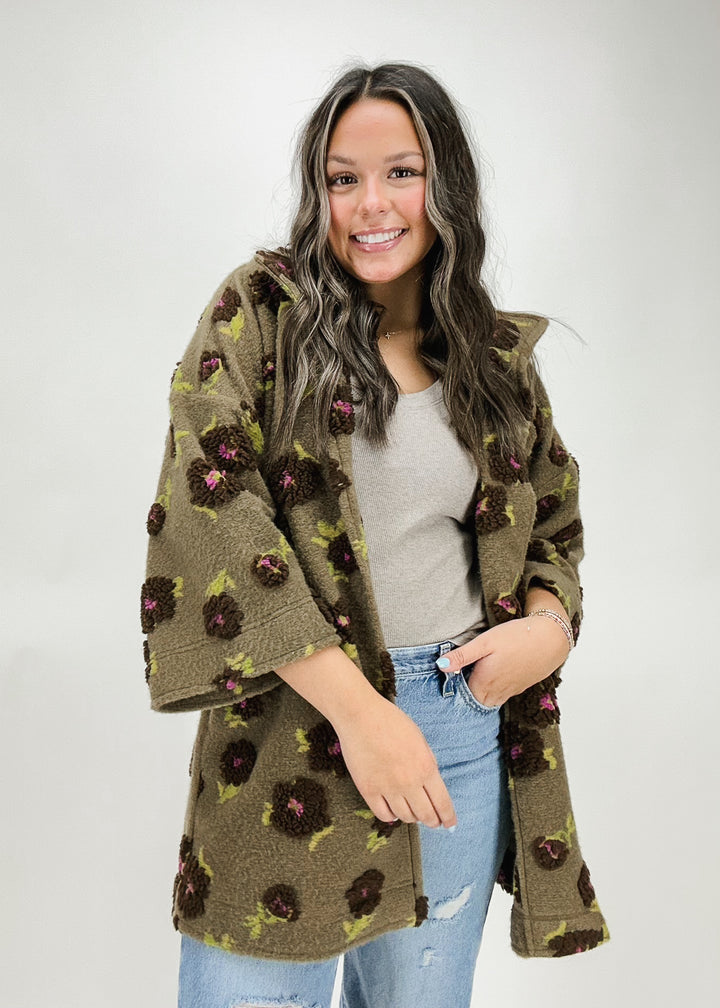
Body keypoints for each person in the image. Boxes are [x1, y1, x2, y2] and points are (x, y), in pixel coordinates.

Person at [141, 62, 608, 1008]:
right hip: (292, 726)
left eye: (403, 171)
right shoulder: (259, 316)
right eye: (342, 178)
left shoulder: (492, 354)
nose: (371, 205)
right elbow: (214, 504)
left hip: (460, 719)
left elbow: (552, 517)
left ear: (449, 185)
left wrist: (550, 629)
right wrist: (363, 716)